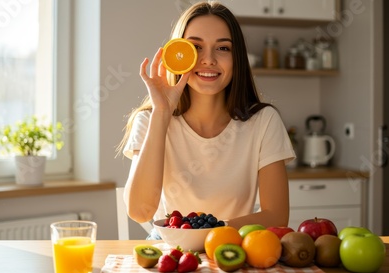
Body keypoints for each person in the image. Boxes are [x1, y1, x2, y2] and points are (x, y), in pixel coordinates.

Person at [118, 1, 295, 239]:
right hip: (171, 249)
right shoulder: (151, 119)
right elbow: (140, 211)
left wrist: (207, 232)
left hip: (233, 243)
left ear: (237, 58)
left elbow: (276, 216)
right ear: (178, 54)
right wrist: (162, 113)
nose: (208, 59)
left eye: (223, 48)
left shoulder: (264, 121)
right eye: (196, 47)